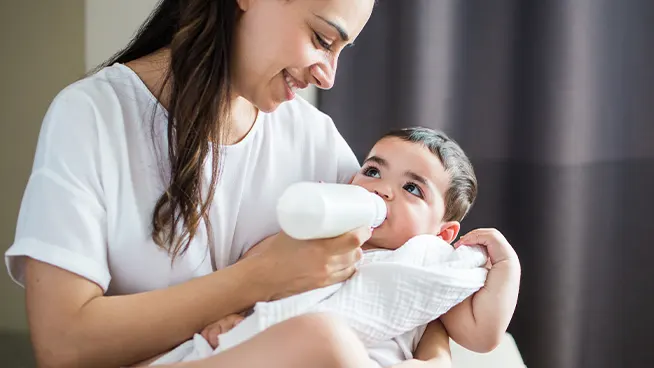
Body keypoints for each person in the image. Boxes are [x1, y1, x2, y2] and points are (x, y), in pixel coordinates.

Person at [1, 1, 463, 367]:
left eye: (341, 50)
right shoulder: (93, 116)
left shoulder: (313, 138)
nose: (328, 73)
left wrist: (434, 359)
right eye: (322, 39)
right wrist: (256, 279)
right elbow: (63, 346)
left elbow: (404, 265)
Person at [194, 128, 521, 367]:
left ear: (443, 233)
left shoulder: (430, 266)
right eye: (373, 171)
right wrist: (236, 317)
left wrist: (507, 268)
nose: (382, 189)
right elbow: (256, 276)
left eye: (411, 188)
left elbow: (482, 335)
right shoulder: (317, 240)